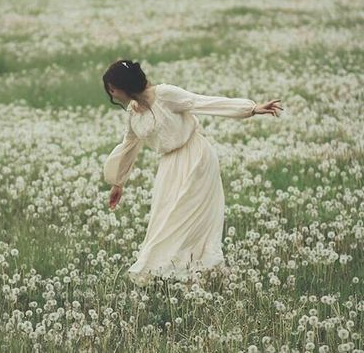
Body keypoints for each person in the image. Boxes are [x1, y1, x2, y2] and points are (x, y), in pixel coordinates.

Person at [102, 59, 283, 287]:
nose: (111, 93)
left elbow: (201, 102)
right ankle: (175, 270)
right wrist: (118, 183)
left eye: (111, 88)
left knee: (186, 214)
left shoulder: (165, 94)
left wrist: (250, 108)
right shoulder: (133, 112)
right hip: (170, 164)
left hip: (196, 156)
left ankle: (195, 272)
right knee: (165, 218)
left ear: (122, 85)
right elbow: (129, 144)